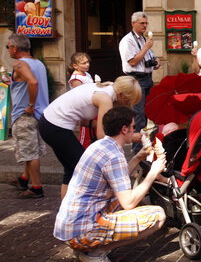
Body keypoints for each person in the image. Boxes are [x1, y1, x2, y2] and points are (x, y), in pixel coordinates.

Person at [54, 106, 166, 262]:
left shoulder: (100, 145)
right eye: (133, 127)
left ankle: (89, 248)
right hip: (81, 232)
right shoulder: (115, 156)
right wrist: (153, 173)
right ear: (124, 129)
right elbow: (128, 202)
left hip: (69, 226)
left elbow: (117, 179)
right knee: (158, 216)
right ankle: (94, 252)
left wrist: (137, 159)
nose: (135, 131)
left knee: (123, 196)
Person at [38, 76, 141, 198]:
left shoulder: (106, 88)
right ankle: (75, 206)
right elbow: (102, 136)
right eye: (129, 101)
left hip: (50, 123)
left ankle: (67, 208)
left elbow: (85, 122)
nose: (129, 105)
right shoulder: (105, 98)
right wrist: (129, 136)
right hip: (55, 126)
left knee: (72, 169)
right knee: (83, 167)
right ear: (121, 94)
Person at [3, 33, 49, 199]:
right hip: (40, 114)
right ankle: (24, 179)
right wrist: (12, 82)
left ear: (15, 48)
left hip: (25, 115)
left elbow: (33, 82)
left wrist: (30, 105)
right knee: (32, 149)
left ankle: (36, 188)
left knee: (30, 153)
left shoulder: (19, 65)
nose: (8, 50)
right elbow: (29, 82)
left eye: (8, 47)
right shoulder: (38, 63)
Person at [118, 11, 160, 147]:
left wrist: (156, 61)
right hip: (136, 79)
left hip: (147, 78)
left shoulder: (143, 39)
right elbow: (133, 62)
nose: (145, 26)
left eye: (146, 23)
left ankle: (146, 144)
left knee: (149, 113)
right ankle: (137, 149)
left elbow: (147, 59)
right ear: (133, 23)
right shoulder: (127, 41)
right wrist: (146, 47)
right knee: (139, 114)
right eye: (142, 23)